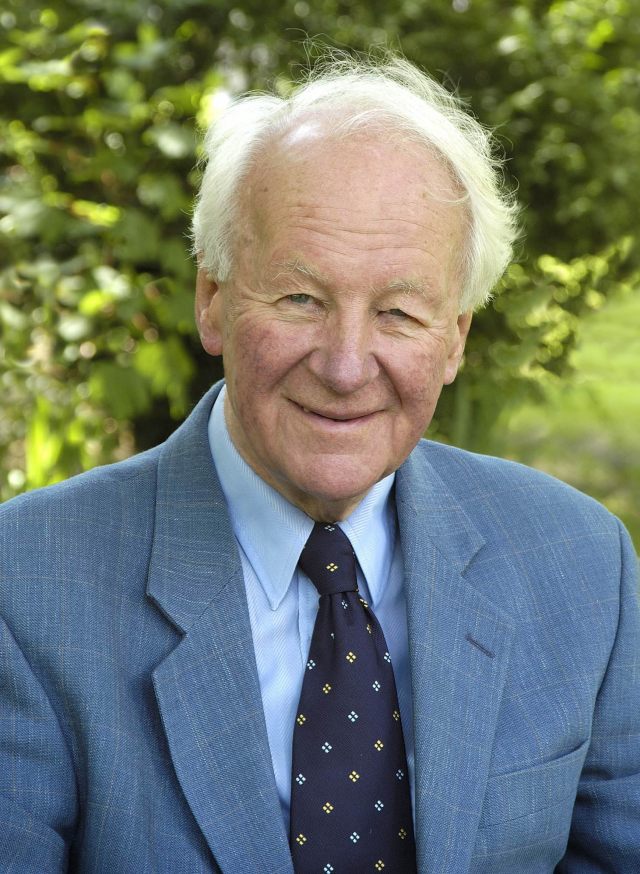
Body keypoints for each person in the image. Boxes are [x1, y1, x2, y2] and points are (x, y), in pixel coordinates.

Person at [1, 52, 638, 874]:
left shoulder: (583, 566)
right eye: (301, 299)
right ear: (213, 300)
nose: (345, 366)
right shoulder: (26, 589)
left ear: (455, 339)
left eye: (399, 312)